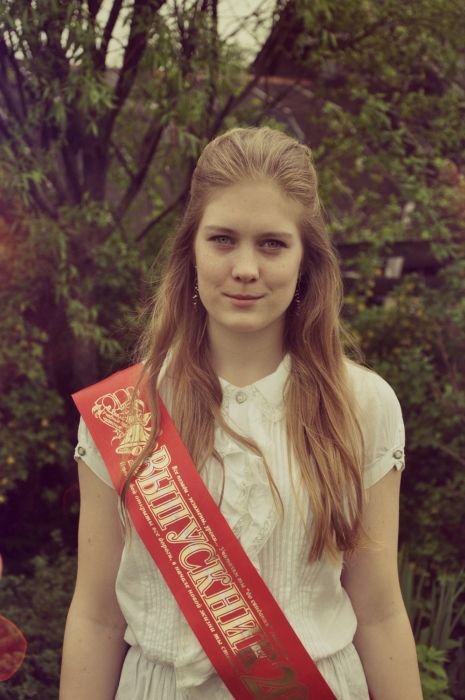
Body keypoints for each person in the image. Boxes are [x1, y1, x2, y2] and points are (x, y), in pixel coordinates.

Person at [60, 126, 423, 700]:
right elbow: (97, 617)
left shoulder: (362, 405)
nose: (246, 267)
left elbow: (378, 613)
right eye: (223, 239)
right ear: (192, 250)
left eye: (273, 243)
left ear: (306, 261)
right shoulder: (126, 411)